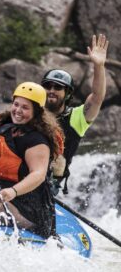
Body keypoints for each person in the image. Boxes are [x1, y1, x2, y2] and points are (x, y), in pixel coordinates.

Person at [0, 82, 64, 237]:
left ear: (37, 112)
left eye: (25, 108)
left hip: (26, 206)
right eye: (16, 104)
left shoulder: (37, 140)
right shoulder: (4, 124)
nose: (18, 111)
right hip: (1, 193)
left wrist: (14, 191)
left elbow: (38, 174)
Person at [41, 34, 109, 195]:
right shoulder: (33, 111)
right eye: (48, 86)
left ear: (68, 94)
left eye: (57, 87)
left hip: (49, 185)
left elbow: (97, 97)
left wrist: (99, 66)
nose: (51, 90)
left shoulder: (77, 118)